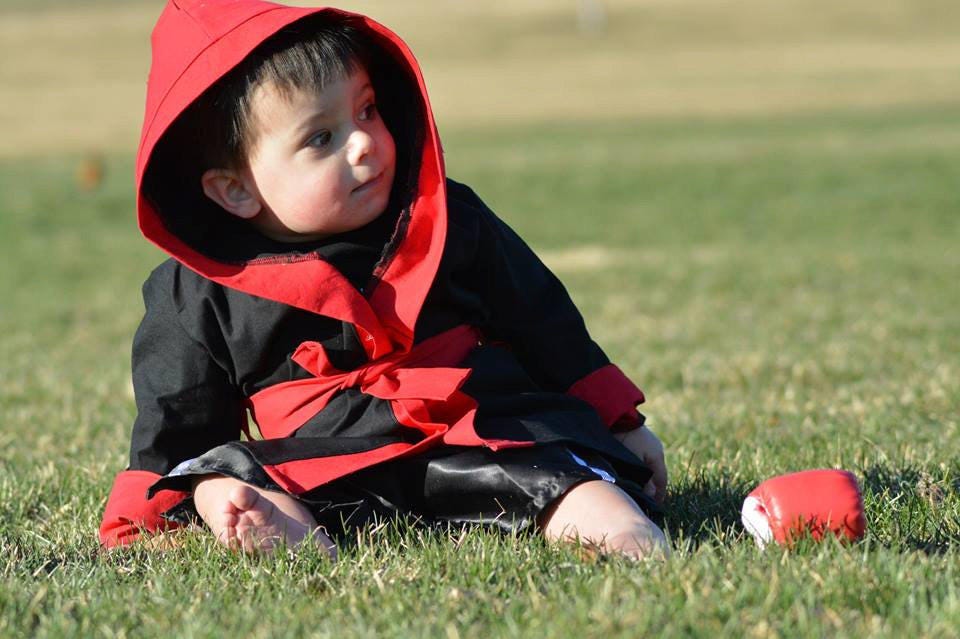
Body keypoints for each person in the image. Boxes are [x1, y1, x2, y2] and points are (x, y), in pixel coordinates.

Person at [98, 0, 669, 560]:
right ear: (236, 191)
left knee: (559, 471)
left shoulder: (445, 217)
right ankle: (284, 530)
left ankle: (618, 531)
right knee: (222, 473)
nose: (365, 141)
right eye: (321, 138)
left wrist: (619, 421)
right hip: (323, 463)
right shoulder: (196, 287)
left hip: (475, 427)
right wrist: (143, 516)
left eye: (367, 110)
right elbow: (176, 410)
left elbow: (543, 320)